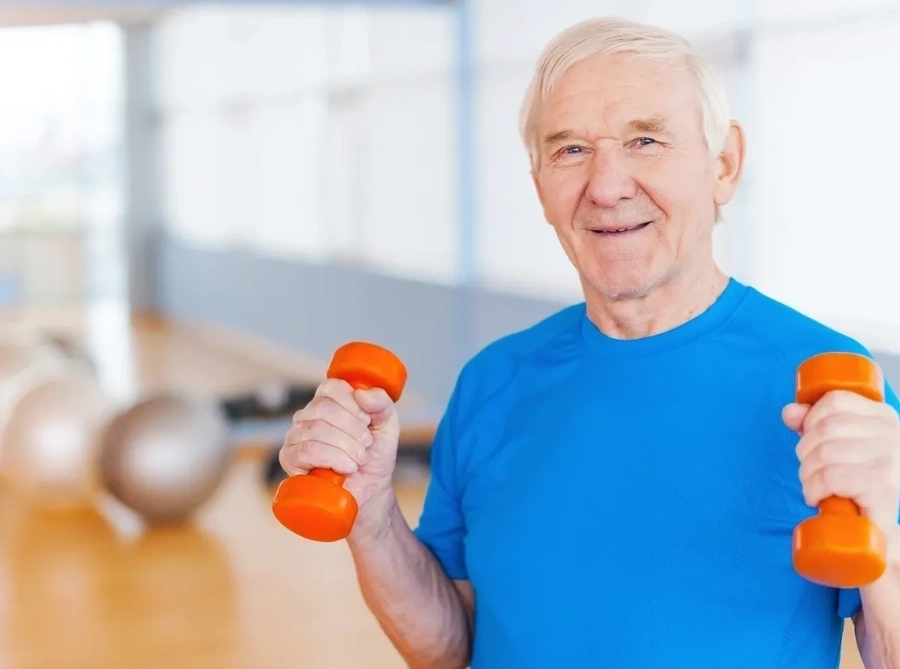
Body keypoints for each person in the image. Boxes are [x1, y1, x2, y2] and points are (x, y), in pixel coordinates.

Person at [279, 16, 900, 669]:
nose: (606, 187)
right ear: (540, 185)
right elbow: (450, 644)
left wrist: (885, 544)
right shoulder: (492, 384)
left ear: (724, 165)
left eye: (646, 140)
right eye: (570, 149)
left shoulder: (831, 395)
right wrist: (374, 517)